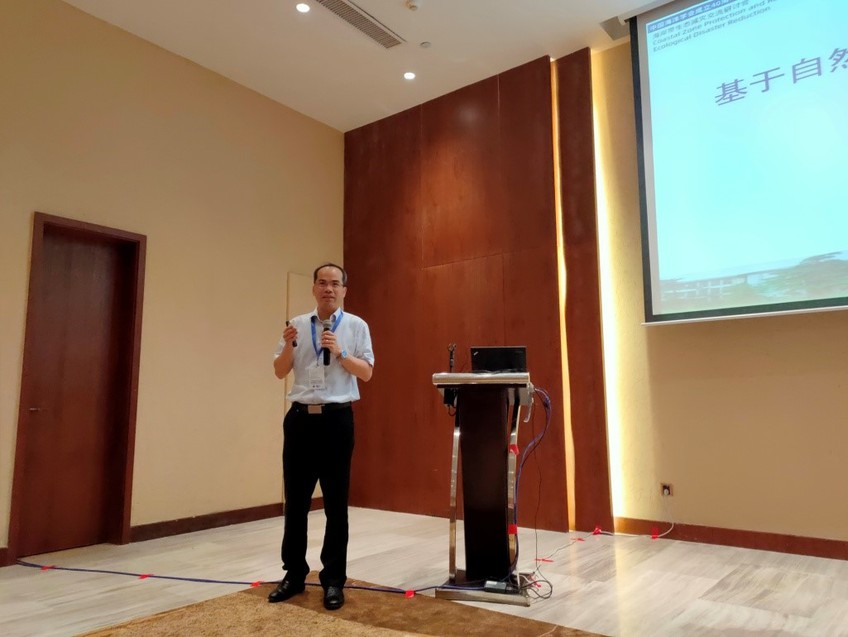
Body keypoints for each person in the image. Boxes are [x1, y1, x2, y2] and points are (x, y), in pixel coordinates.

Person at [268, 263, 374, 611]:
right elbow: (279, 371)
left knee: (335, 504)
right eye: (322, 283)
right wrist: (288, 347)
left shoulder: (356, 326)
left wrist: (340, 352)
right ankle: (294, 574)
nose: (328, 289)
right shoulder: (297, 325)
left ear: (344, 290)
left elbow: (367, 373)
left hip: (337, 421)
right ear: (314, 288)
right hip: (300, 420)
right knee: (296, 502)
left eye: (335, 284)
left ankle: (333, 580)